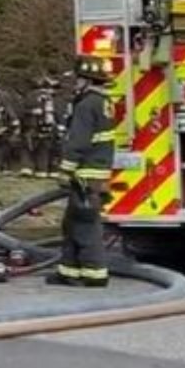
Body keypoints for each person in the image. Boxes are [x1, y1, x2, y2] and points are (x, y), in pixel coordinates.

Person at [55, 57, 116, 287]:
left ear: (86, 79)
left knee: (85, 226)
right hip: (95, 175)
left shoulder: (86, 105)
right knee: (72, 223)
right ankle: (68, 270)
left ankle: (94, 272)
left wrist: (65, 169)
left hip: (85, 176)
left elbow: (78, 141)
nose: (75, 83)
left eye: (78, 79)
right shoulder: (103, 102)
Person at [24, 77, 63, 177]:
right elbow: (58, 114)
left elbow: (24, 110)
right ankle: (46, 169)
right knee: (48, 148)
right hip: (49, 127)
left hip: (34, 126)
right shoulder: (54, 99)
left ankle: (34, 168)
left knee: (33, 148)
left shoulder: (31, 95)